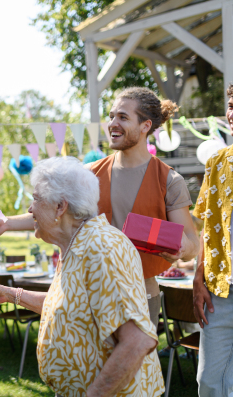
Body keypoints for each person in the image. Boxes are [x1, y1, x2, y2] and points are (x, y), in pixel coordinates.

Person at [0, 157, 164, 397]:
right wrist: (11, 295)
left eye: (36, 199)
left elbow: (137, 341)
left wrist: (93, 396)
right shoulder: (77, 244)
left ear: (60, 207)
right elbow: (69, 306)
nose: (30, 209)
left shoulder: (101, 249)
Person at [86, 87, 198, 328]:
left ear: (145, 126)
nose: (113, 123)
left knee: (136, 366)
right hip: (91, 292)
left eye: (123, 117)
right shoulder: (89, 174)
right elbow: (53, 213)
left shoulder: (170, 180)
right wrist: (7, 223)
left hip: (142, 296)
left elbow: (192, 244)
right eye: (112, 115)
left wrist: (182, 248)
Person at [192, 83, 233, 397]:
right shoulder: (217, 163)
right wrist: (197, 279)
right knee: (209, 382)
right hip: (221, 292)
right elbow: (205, 226)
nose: (232, 113)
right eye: (232, 104)